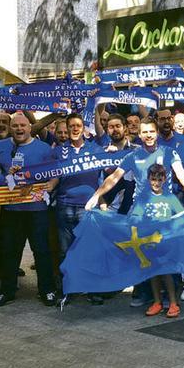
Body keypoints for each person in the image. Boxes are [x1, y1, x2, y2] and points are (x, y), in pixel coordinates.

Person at [0, 113, 59, 308]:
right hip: (11, 209)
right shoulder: (1, 146)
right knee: (10, 251)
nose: (19, 129)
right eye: (15, 126)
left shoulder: (44, 148)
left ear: (30, 128)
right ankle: (7, 291)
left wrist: (52, 185)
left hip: (37, 208)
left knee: (42, 251)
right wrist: (3, 180)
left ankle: (46, 290)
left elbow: (55, 173)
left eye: (23, 126)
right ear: (10, 128)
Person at [53, 113, 106, 305]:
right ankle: (68, 289)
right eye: (71, 126)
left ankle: (93, 289)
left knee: (90, 249)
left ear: (84, 128)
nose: (75, 129)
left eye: (78, 126)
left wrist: (101, 201)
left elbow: (105, 176)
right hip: (64, 205)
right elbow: (52, 178)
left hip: (88, 207)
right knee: (65, 251)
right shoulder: (59, 151)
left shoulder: (96, 149)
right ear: (66, 129)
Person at [133, 164, 184, 319]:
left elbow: (182, 215)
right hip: (150, 242)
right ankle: (157, 302)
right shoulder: (144, 198)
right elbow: (136, 217)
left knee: (167, 272)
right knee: (153, 273)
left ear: (165, 179)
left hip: (167, 241)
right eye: (153, 179)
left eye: (159, 179)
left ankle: (173, 303)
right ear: (148, 179)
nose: (156, 182)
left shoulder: (170, 197)